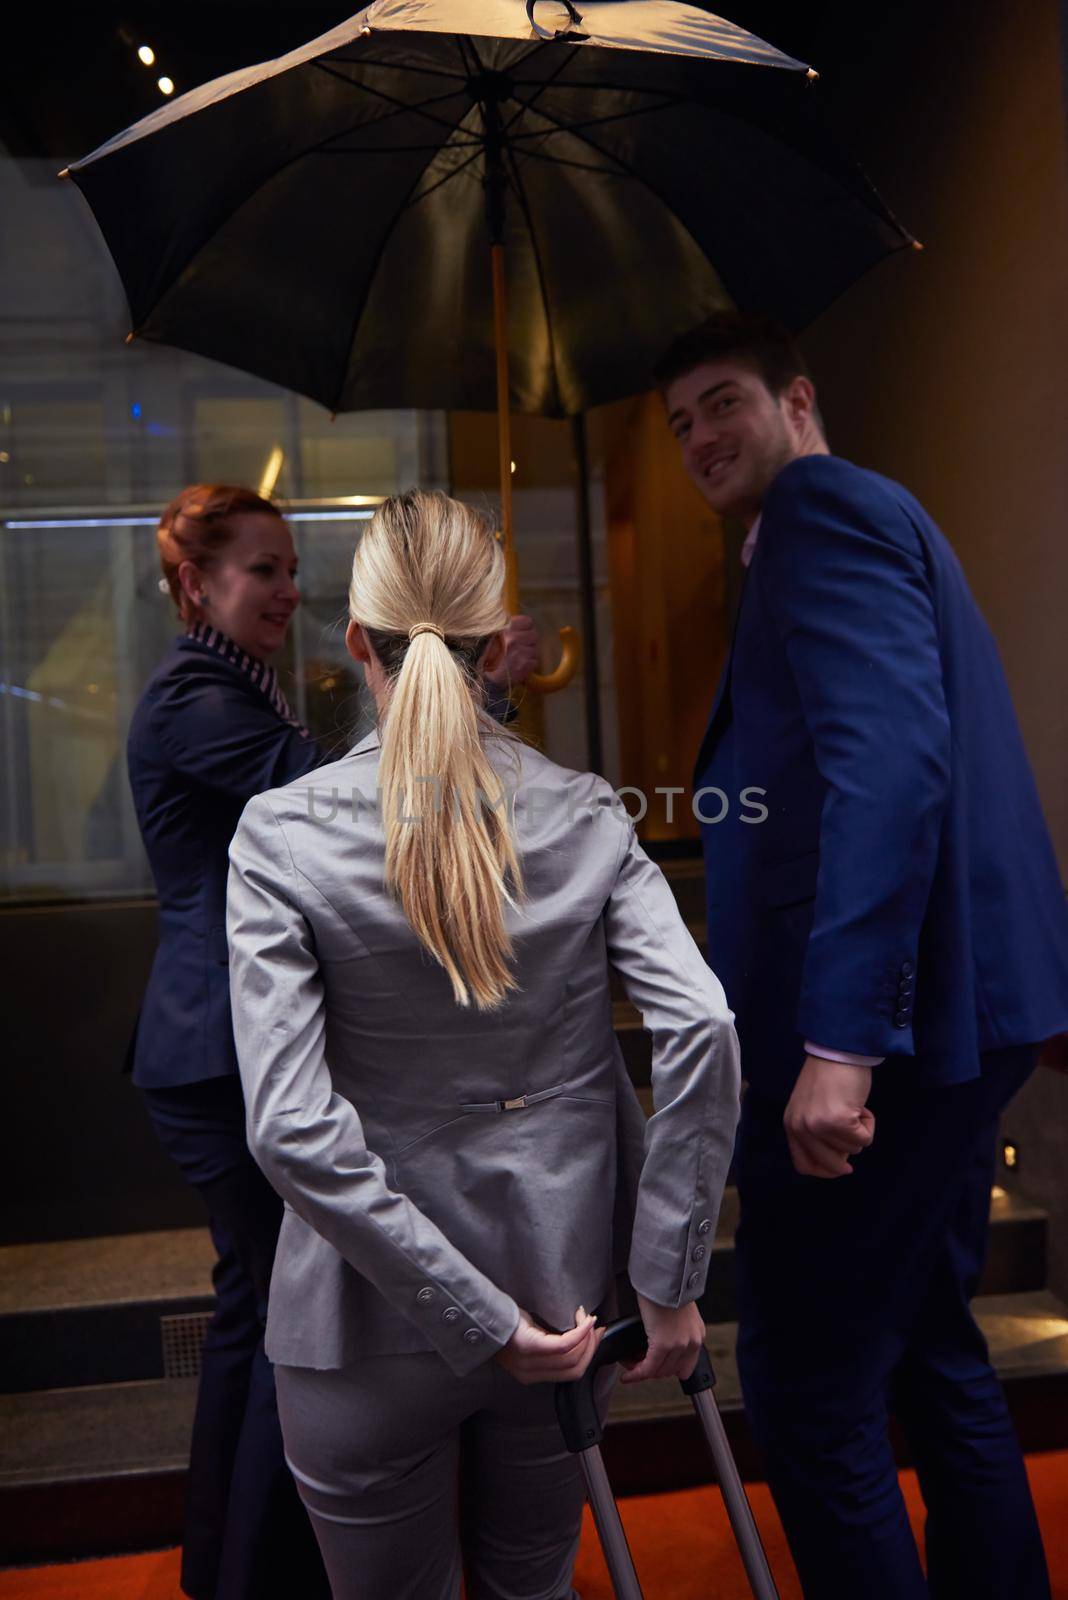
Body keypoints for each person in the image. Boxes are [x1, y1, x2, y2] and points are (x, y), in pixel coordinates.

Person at [225, 488, 742, 1600]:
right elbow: (702, 1022)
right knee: (532, 1583)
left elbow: (288, 1125)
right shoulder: (590, 812)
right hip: (564, 1292)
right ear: (498, 637)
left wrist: (470, 1313)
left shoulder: (279, 836)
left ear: (356, 640)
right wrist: (668, 1274)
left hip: (364, 1321)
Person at [655, 311, 1068, 1599]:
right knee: (933, 1350)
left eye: (722, 403)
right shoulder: (857, 521)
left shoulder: (824, 511)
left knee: (810, 1387)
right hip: (959, 1028)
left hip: (887, 1049)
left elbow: (889, 771)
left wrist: (839, 1047)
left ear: (797, 398)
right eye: (679, 427)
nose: (701, 439)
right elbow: (810, 787)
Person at [127, 483, 540, 1600]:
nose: (287, 589)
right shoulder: (193, 699)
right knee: (288, 1326)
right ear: (194, 584)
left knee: (250, 1318)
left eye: (292, 567)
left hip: (214, 1041)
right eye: (260, 568)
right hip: (223, 1047)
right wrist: (474, 678)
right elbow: (327, 797)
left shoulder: (233, 687)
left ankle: (222, 1567)